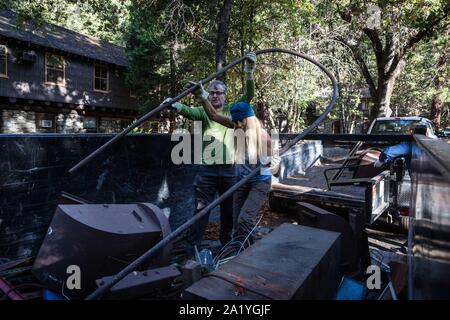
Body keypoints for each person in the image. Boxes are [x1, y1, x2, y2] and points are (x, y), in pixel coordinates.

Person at [164, 52, 257, 256]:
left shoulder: (233, 110)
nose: (215, 95)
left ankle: (227, 244)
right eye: (212, 92)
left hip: (230, 170)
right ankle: (191, 248)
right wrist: (174, 104)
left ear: (225, 96)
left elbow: (248, 96)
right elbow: (187, 110)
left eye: (218, 93)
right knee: (201, 210)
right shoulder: (202, 111)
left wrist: (249, 72)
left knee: (228, 211)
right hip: (207, 171)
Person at [190, 83, 273, 247]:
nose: (238, 125)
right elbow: (213, 115)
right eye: (236, 122)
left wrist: (267, 164)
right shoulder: (236, 126)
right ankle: (237, 249)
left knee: (245, 220)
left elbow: (271, 164)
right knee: (236, 222)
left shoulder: (262, 136)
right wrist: (202, 95)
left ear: (249, 120)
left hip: (258, 180)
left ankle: (249, 252)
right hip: (241, 180)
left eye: (241, 122)